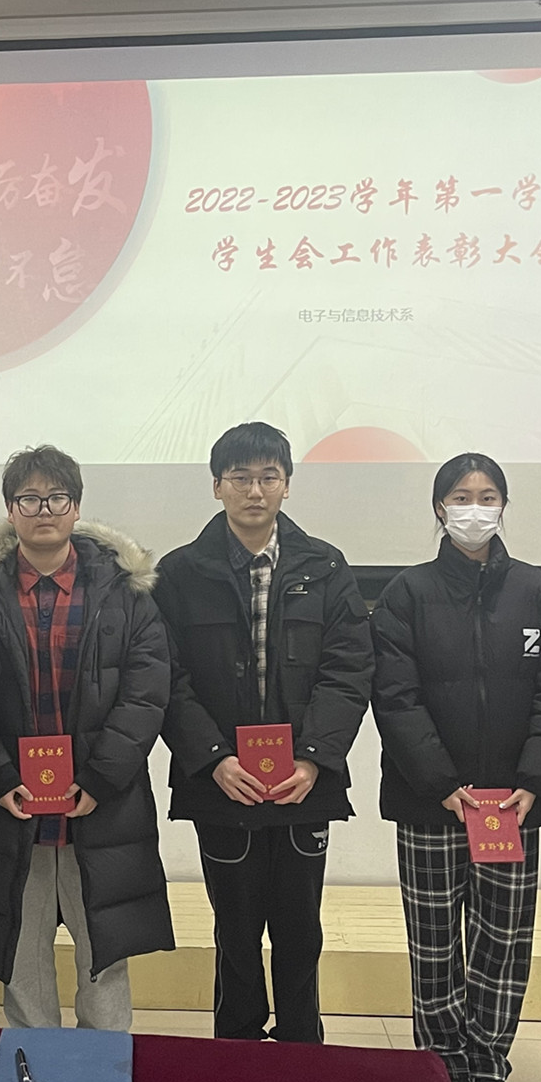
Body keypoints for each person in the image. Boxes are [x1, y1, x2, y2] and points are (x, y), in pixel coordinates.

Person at [371, 454, 541, 1082]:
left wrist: (535, 781)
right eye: (461, 496)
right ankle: (443, 1062)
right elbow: (395, 697)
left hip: (511, 805)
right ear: (440, 508)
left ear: (503, 506)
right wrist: (439, 781)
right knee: (434, 939)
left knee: (503, 938)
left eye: (488, 496)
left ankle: (488, 1059)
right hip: (430, 802)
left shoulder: (537, 593)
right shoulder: (406, 593)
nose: (474, 508)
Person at [153, 422, 374, 1043]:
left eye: (268, 478)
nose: (255, 491)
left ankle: (302, 1048)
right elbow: (166, 677)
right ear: (217, 485)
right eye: (241, 478)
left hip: (304, 783)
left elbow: (349, 669)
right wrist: (214, 759)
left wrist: (313, 758)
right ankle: (237, 1051)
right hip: (222, 784)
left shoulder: (325, 566)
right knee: (236, 930)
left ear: (287, 484)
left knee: (301, 930)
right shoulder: (180, 573)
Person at [0, 445, 173, 1031]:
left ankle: (103, 1061)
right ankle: (35, 1062)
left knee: (104, 952)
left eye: (57, 498)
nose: (44, 510)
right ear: (10, 510)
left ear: (76, 507)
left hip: (101, 806)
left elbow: (147, 692)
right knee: (21, 956)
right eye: (29, 499)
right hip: (12, 808)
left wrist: (101, 778)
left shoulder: (124, 591)